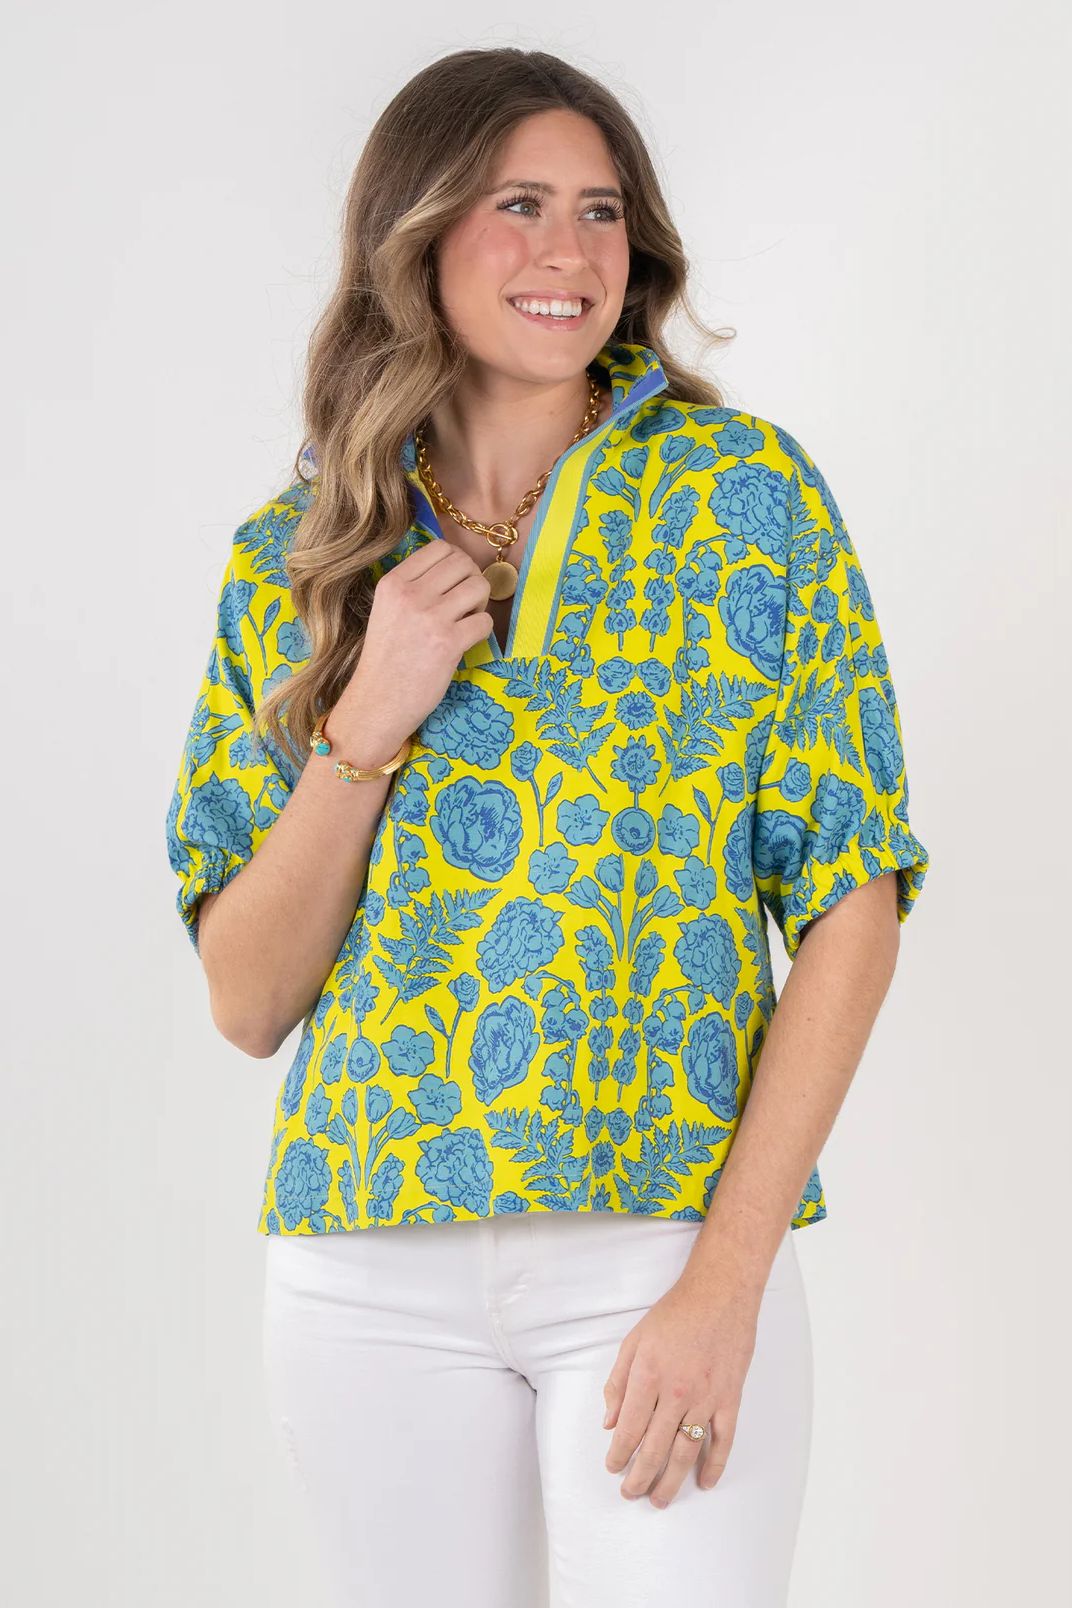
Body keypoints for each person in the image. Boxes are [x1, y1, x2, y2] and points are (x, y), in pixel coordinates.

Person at [165, 46, 930, 1608]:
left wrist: (728, 1278)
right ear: (416, 232)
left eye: (600, 210)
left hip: (662, 1242)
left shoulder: (747, 502)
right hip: (367, 1263)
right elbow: (247, 999)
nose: (570, 251)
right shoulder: (298, 557)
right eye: (518, 204)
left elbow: (853, 903)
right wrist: (366, 724)